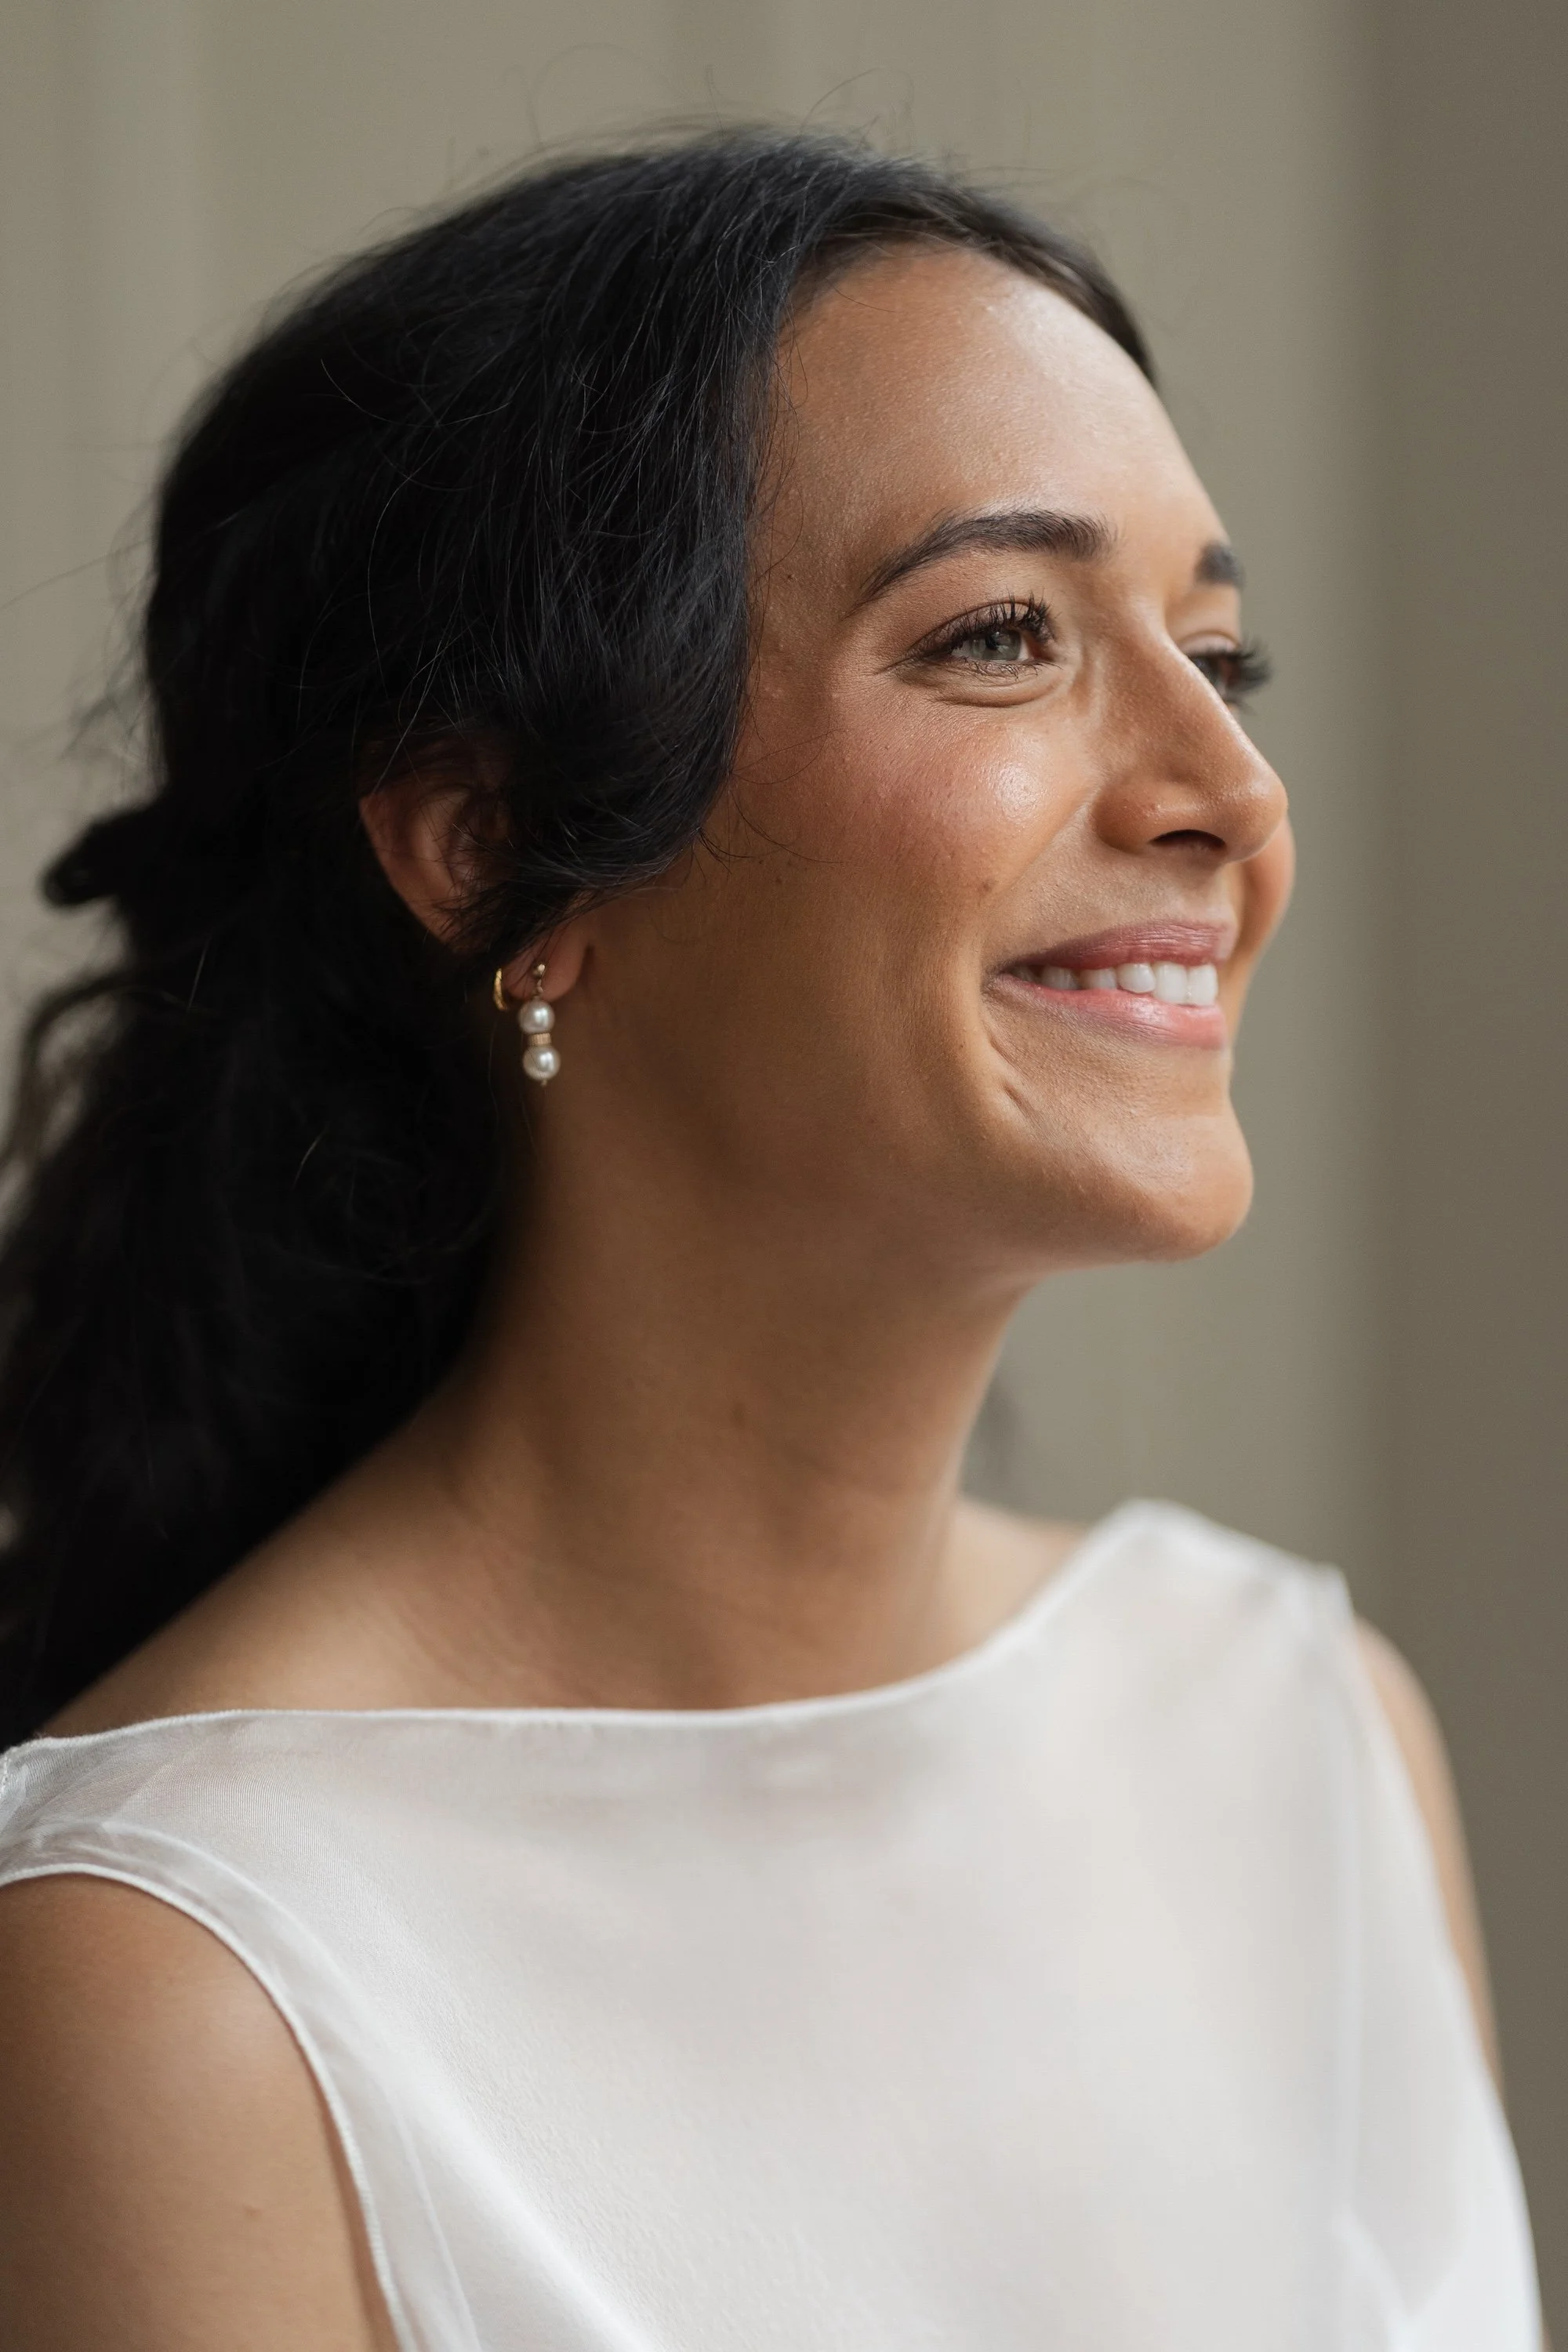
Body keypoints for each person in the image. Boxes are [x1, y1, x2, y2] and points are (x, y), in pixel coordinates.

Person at [0, 132, 1540, 2349]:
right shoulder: (183, 1979)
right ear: (502, 850)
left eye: (1221, 650)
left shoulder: (1303, 1739)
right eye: (1003, 636)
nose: (1229, 787)